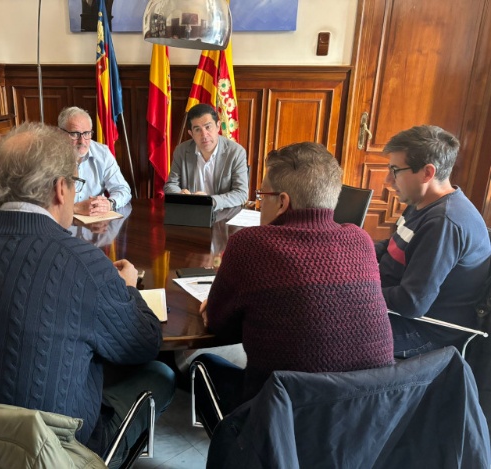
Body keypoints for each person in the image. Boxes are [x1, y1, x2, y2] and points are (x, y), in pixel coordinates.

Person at [0, 123, 174, 466]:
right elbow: (143, 344)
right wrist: (129, 289)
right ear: (60, 189)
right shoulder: (83, 262)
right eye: (76, 183)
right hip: (52, 454)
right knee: (162, 374)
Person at [195, 142, 394, 434]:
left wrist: (211, 309)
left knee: (203, 365)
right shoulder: (361, 240)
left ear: (283, 202)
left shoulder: (249, 245)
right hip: (366, 424)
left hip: (281, 424)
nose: (260, 204)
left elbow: (219, 326)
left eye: (263, 196)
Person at [375, 125, 491, 357]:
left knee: (321, 332)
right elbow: (393, 247)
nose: (388, 180)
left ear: (428, 173)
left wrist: (355, 287)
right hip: (395, 307)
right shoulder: (421, 203)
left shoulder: (444, 222)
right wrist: (349, 251)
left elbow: (411, 303)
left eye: (395, 170)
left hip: (424, 331)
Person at [164, 103, 248, 210]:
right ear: (191, 133)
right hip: (190, 212)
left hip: (222, 214)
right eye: (197, 130)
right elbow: (171, 184)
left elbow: (241, 193)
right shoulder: (181, 151)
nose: (204, 135)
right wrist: (180, 195)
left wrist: (210, 201)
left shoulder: (236, 152)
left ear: (218, 126)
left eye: (208, 127)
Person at [58, 106, 131, 216]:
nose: (82, 141)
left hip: (94, 225)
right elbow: (37, 203)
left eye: (87, 133)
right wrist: (75, 208)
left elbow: (122, 189)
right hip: (57, 225)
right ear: (60, 133)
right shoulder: (48, 156)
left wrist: (109, 204)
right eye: (75, 134)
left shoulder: (103, 153)